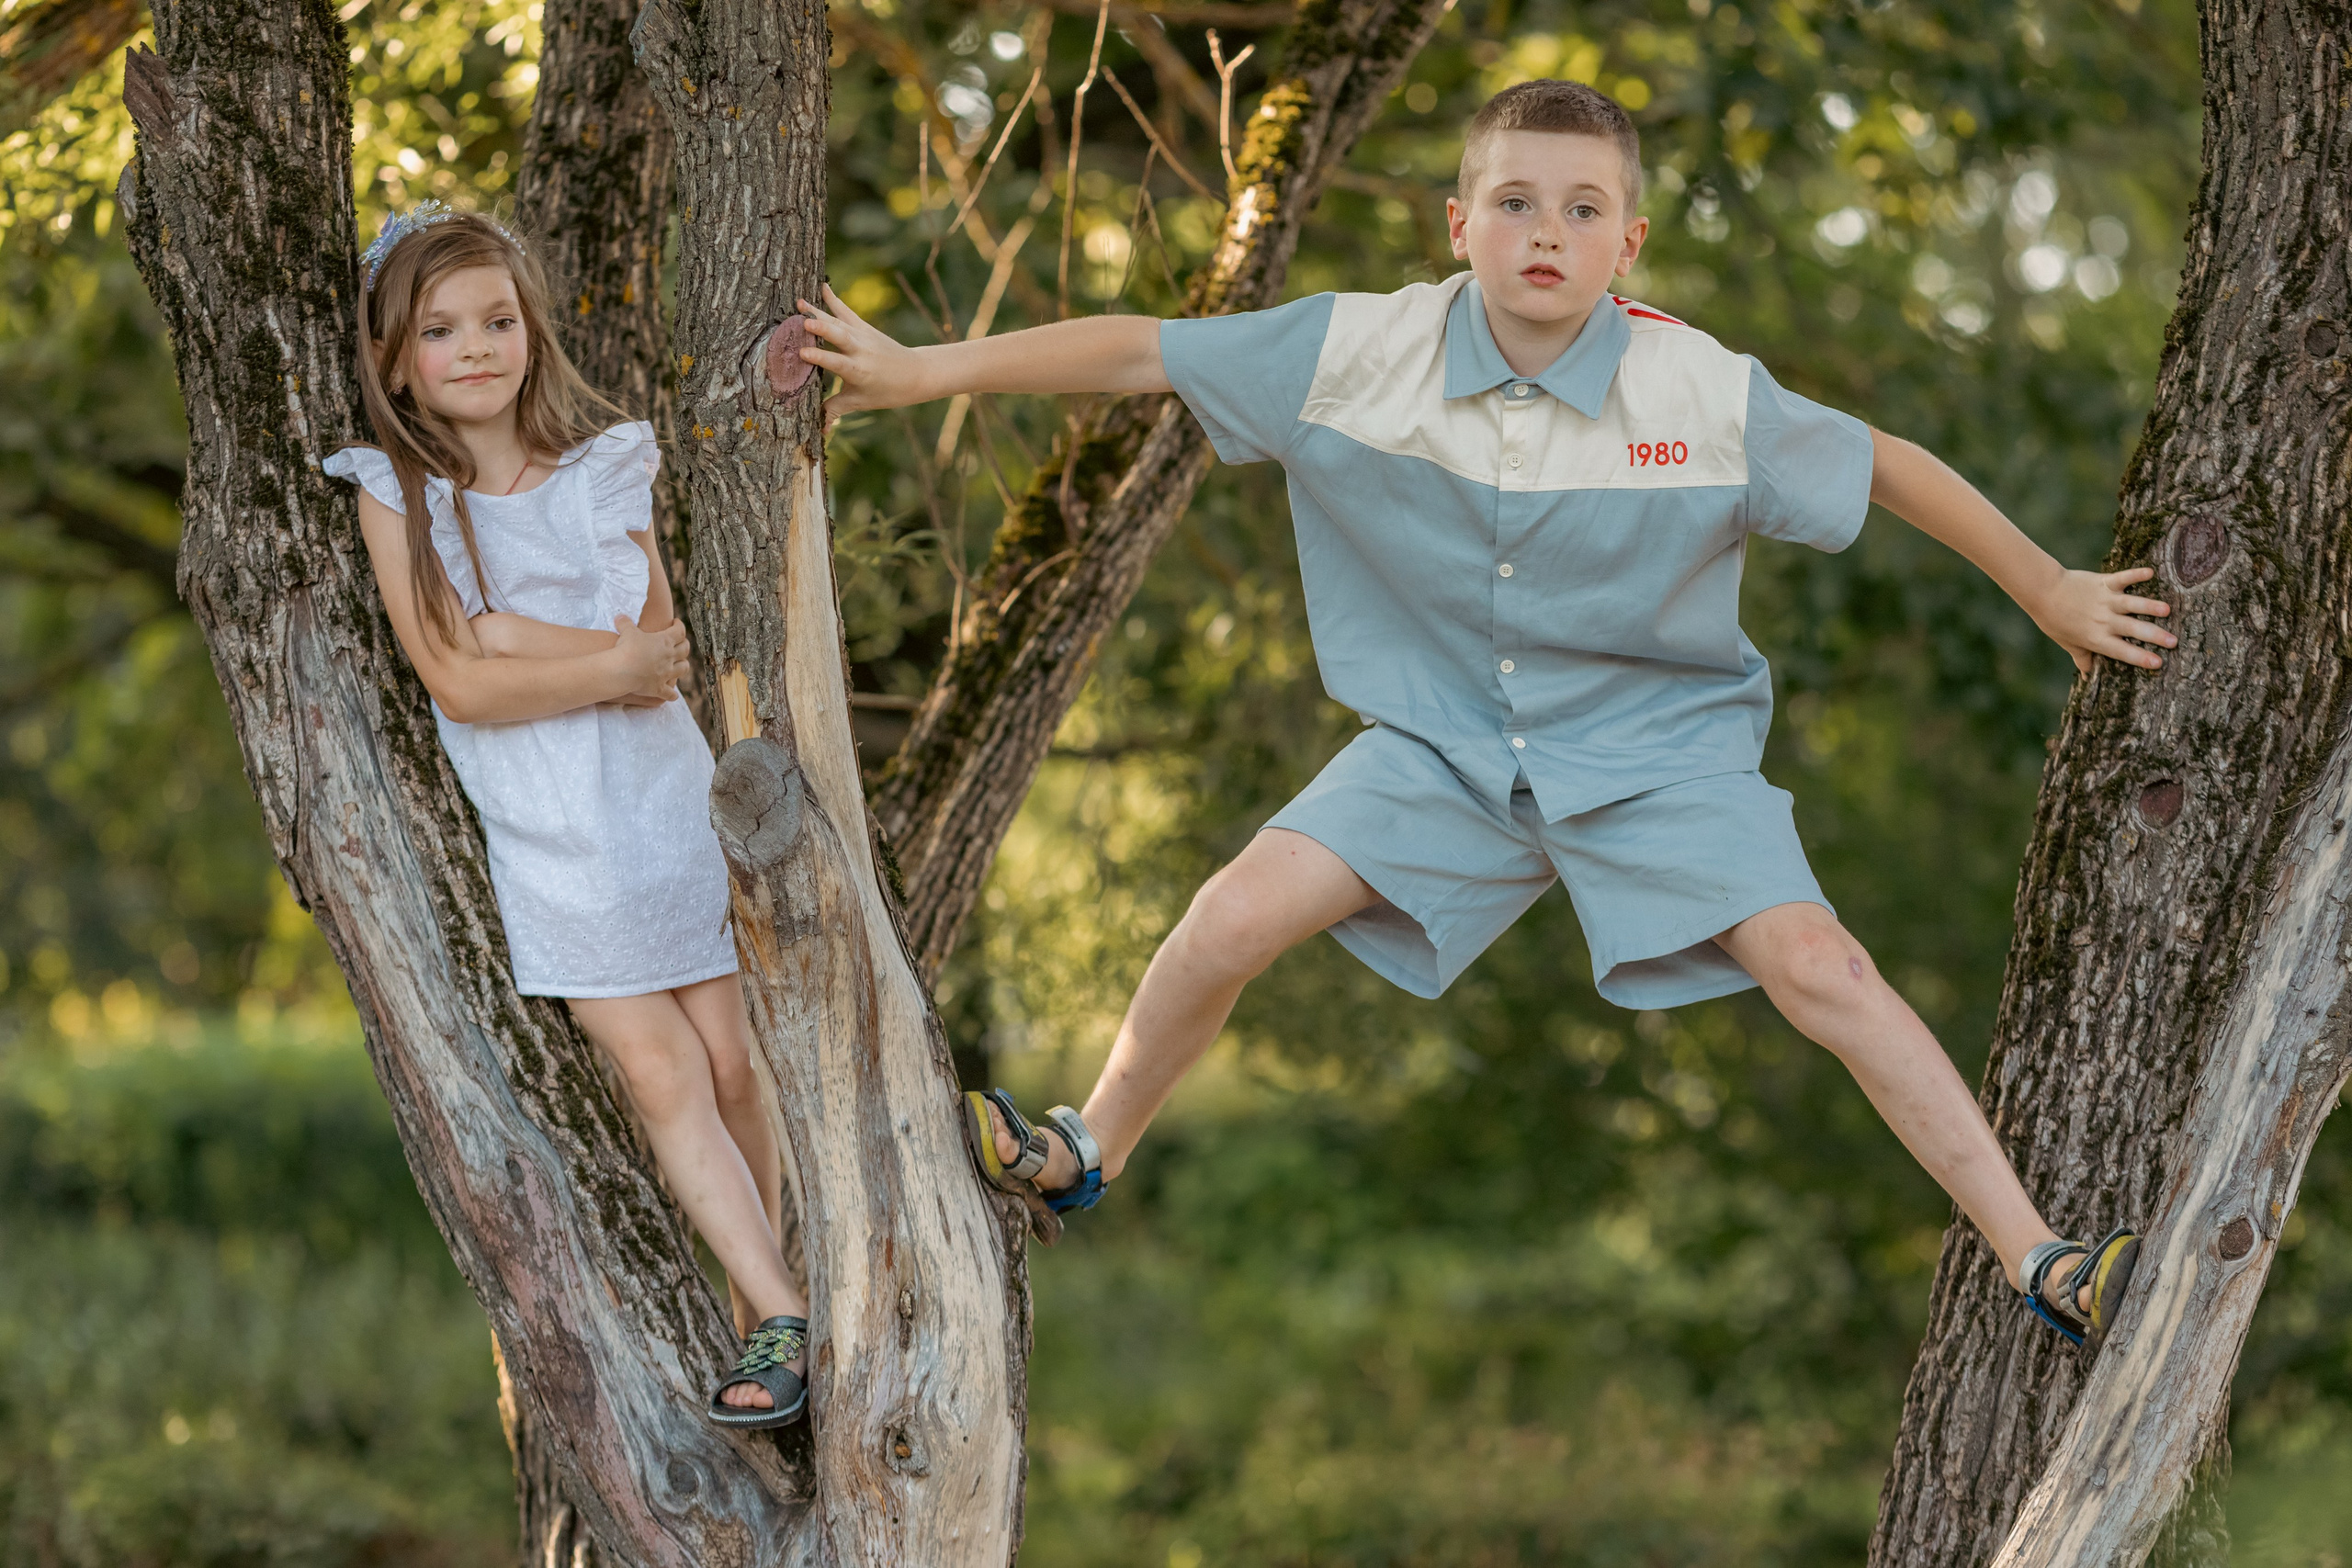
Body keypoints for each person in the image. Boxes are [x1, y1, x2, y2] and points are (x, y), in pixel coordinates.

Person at [799, 81, 2160, 1350]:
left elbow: (1890, 465)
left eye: (1582, 211)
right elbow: (1141, 351)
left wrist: (2049, 590)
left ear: (1627, 244)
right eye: (1514, 202)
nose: (1546, 235)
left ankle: (2036, 1255)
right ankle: (1090, 1146)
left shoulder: (1699, 391)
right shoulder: (1354, 349)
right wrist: (928, 371)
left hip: (1655, 757)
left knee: (1826, 974)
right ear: (1461, 227)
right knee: (1229, 917)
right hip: (1440, 751)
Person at [322, 202, 809, 1427]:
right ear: (395, 361)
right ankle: (790, 1313)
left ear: (531, 331)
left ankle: (771, 1309)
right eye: (440, 330)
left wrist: (514, 635)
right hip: (555, 841)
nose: (475, 347)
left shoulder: (602, 469)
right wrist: (574, 661)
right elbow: (458, 684)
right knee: (660, 1076)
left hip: (659, 805)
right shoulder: (404, 494)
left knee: (741, 1065)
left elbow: (659, 652)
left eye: (496, 320)